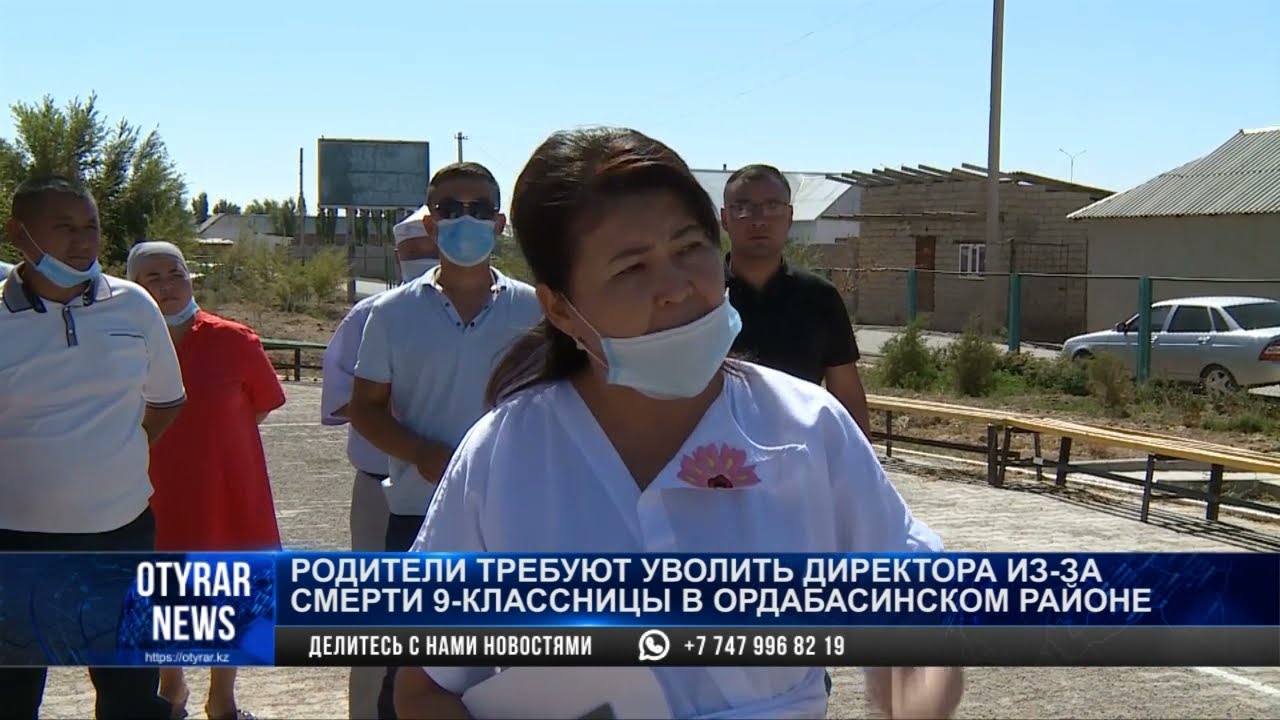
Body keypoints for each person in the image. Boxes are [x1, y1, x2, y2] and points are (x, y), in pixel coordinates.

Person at [394, 128, 965, 720]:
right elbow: (424, 687)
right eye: (631, 267)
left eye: (690, 248)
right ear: (560, 308)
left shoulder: (804, 429)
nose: (675, 289)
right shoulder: (504, 457)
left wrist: (916, 690)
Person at [347, 161, 543, 720]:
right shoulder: (390, 313)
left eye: (479, 209)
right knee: (412, 672)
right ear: (431, 225)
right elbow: (365, 408)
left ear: (499, 224)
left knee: (508, 671)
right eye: (450, 209)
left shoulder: (536, 310)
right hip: (419, 518)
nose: (465, 219)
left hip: (513, 518)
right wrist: (421, 453)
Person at [0, 176, 184, 720]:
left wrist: (114, 457)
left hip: (121, 534)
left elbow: (167, 401)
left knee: (130, 693)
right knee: (12, 693)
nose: (83, 241)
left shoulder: (134, 305)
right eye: (65, 227)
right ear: (19, 234)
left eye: (91, 226)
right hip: (16, 542)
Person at [126, 240, 286, 720]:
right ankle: (171, 688)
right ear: (133, 286)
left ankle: (222, 699)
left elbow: (260, 405)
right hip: (149, 490)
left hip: (226, 488)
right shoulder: (121, 343)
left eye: (175, 273)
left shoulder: (235, 340)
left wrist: (214, 439)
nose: (167, 285)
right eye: (153, 277)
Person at [319, 205, 439, 720]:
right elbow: (342, 399)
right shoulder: (372, 315)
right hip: (382, 489)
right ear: (396, 254)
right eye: (413, 251)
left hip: (462, 488)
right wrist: (407, 430)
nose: (422, 258)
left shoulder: (499, 311)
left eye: (429, 249)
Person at [722, 164, 871, 435]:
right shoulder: (699, 296)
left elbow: (847, 395)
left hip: (801, 451)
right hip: (716, 454)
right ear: (724, 219)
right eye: (743, 207)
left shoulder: (820, 298)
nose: (759, 220)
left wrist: (861, 458)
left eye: (772, 206)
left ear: (790, 217)